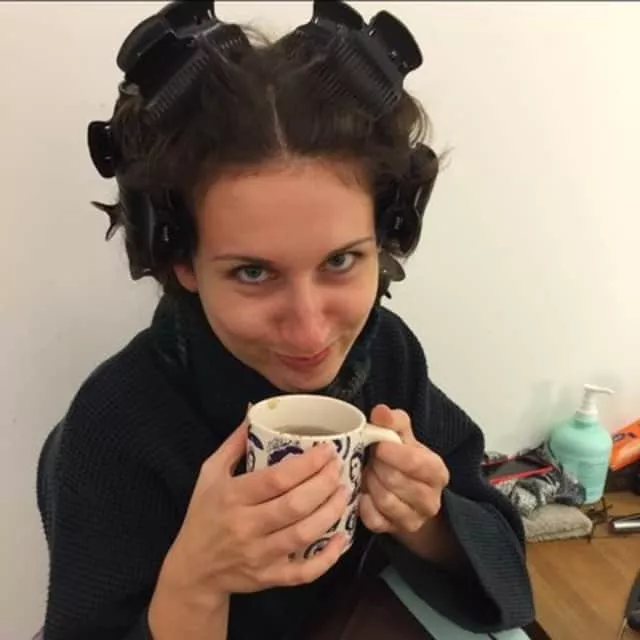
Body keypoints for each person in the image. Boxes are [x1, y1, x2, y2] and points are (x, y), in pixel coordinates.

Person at [36, 2, 535, 639]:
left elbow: (509, 571)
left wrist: (427, 521)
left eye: (341, 261)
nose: (310, 333)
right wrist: (197, 582)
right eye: (253, 272)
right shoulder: (113, 428)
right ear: (181, 260)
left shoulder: (386, 356)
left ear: (386, 237)